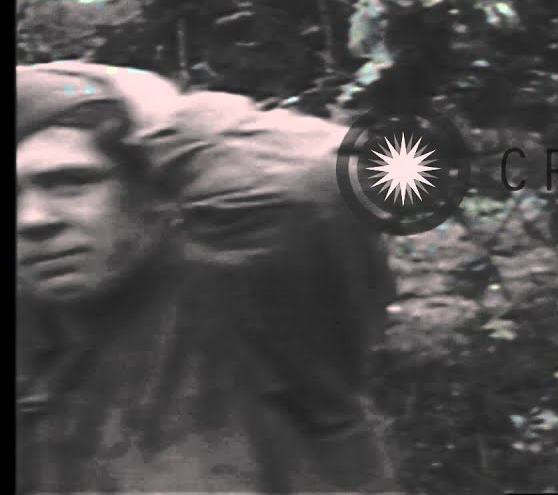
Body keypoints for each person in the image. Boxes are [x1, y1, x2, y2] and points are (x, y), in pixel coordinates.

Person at [16, 62, 401, 493]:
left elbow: (321, 183)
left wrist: (166, 119)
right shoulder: (32, 329)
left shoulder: (253, 295)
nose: (32, 220)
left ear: (152, 190)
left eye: (70, 182)